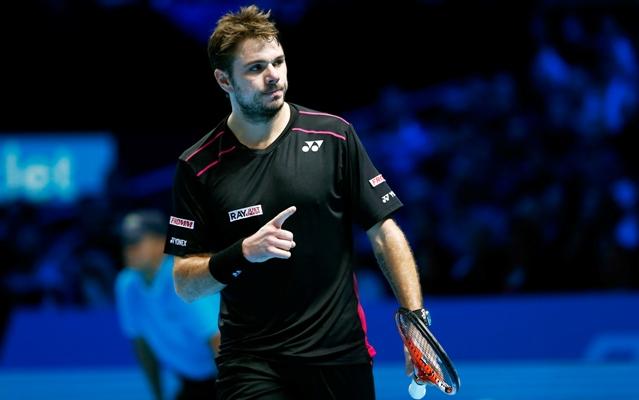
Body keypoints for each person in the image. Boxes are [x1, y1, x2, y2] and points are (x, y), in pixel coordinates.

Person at [164, 5, 425, 399]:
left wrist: (414, 320)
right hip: (252, 361)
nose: (274, 76)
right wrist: (243, 253)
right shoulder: (198, 166)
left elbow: (384, 231)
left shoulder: (335, 137)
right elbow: (185, 282)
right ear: (224, 80)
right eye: (255, 68)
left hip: (338, 355)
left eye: (279, 62)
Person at [115, 209, 221, 400]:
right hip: (192, 380)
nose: (129, 249)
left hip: (228, 374)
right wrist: (158, 396)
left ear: (160, 242)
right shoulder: (126, 285)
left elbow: (218, 341)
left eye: (136, 241)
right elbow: (142, 344)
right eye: (126, 242)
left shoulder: (183, 277)